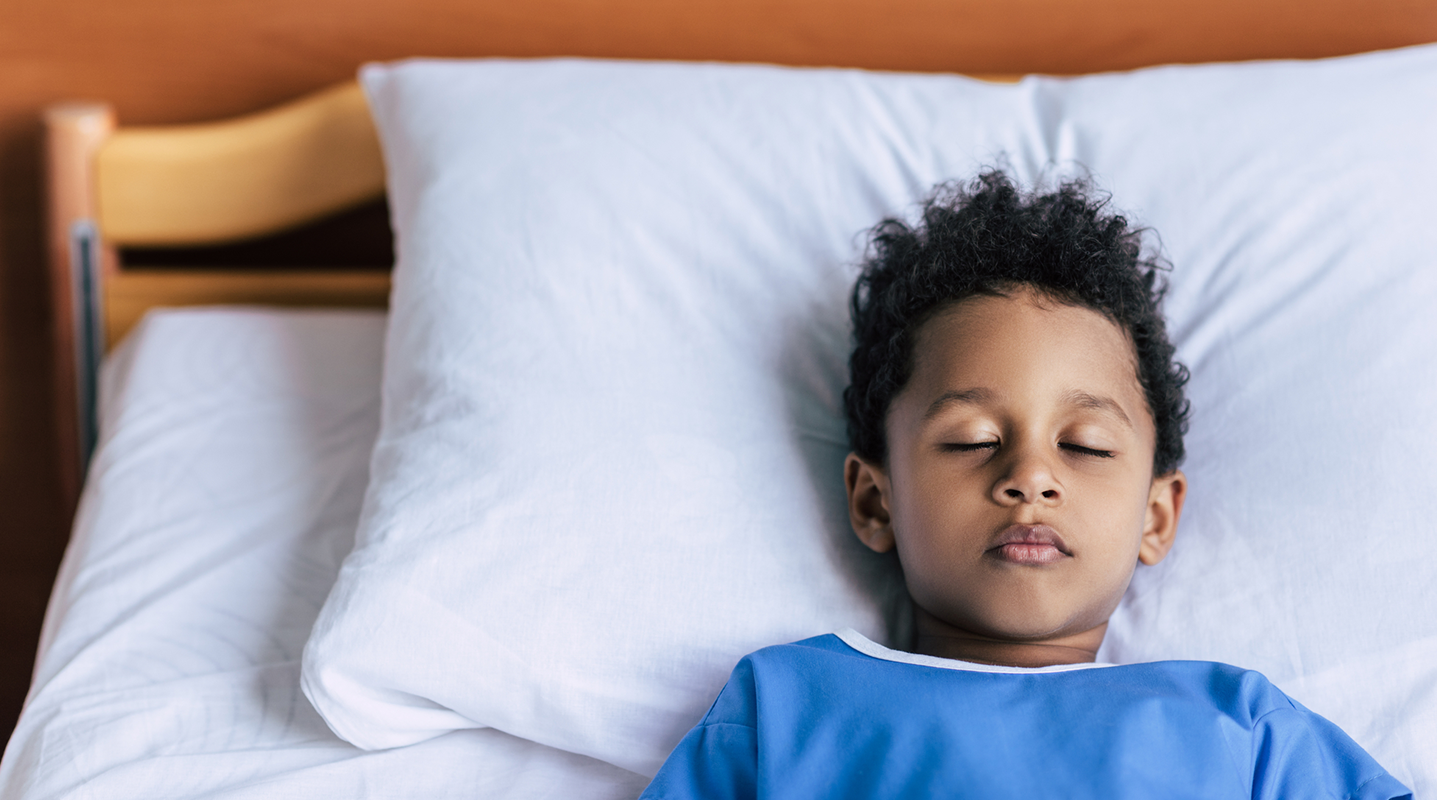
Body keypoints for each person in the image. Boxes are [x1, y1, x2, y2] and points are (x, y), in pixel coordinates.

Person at [639, 171, 1411, 799]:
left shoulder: (1242, 730)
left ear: (1155, 515)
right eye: (972, 440)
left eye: (1084, 445)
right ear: (876, 500)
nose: (1031, 477)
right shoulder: (783, 708)